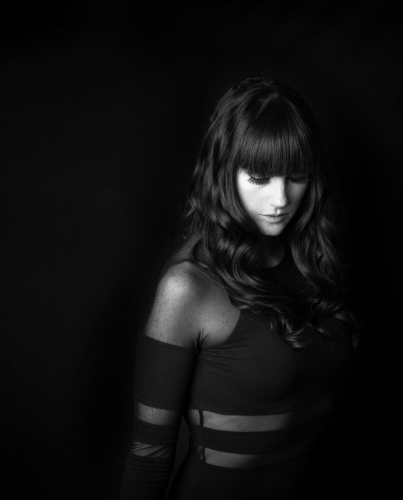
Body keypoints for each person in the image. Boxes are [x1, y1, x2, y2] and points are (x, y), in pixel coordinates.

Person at [120, 75, 356, 499]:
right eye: (260, 177)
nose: (280, 199)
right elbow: (149, 453)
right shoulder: (187, 288)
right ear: (224, 172)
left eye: (296, 175)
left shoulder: (311, 259)